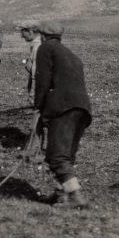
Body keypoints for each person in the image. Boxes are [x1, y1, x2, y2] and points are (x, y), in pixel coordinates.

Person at [34, 20, 92, 208]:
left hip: (63, 108)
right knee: (67, 155)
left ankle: (75, 195)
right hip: (82, 109)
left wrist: (38, 107)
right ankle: (61, 194)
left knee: (57, 156)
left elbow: (42, 81)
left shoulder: (45, 49)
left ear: (43, 36)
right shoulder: (70, 55)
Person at [17, 20, 41, 104]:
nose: (21, 36)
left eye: (23, 32)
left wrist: (33, 96)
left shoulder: (37, 47)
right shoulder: (38, 44)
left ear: (30, 32)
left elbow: (36, 75)